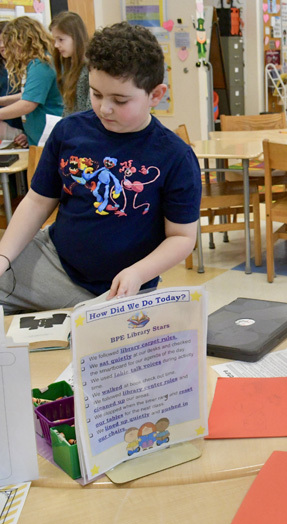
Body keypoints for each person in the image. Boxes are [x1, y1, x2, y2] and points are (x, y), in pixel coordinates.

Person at [0, 22, 201, 314]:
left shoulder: (175, 156)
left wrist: (138, 273)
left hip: (122, 290)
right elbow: (36, 201)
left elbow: (182, 237)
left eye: (120, 100)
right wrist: (4, 255)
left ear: (155, 95)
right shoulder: (69, 132)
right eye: (96, 94)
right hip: (54, 262)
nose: (104, 108)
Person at [0, 17, 63, 147]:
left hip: (49, 136)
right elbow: (30, 94)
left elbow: (28, 104)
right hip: (38, 137)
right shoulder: (34, 63)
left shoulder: (40, 64)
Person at [50, 11, 91, 116]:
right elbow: (69, 107)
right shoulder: (69, 63)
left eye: (61, 40)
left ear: (76, 37)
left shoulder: (90, 67)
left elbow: (89, 112)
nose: (56, 45)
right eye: (55, 40)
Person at [0, 22, 24, 143]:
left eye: (5, 41)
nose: (2, 46)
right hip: (5, 130)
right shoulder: (2, 68)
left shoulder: (28, 66)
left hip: (24, 129)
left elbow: (29, 99)